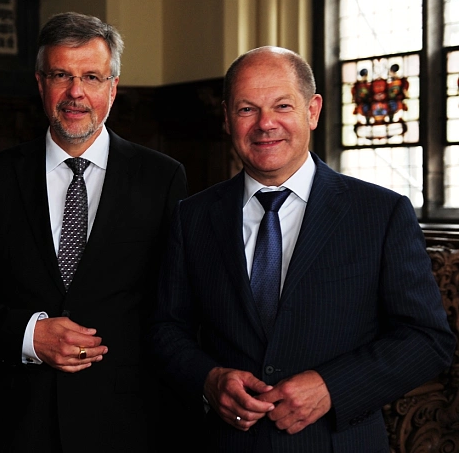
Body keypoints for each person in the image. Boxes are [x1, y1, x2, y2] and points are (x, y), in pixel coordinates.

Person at [151, 46, 455, 452]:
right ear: (226, 118)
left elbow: (427, 339)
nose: (265, 124)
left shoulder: (380, 213)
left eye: (282, 106)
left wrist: (333, 387)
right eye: (246, 109)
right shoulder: (193, 217)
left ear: (312, 110)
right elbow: (167, 329)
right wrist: (209, 379)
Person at [0, 12, 189, 452]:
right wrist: (30, 335)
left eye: (91, 76)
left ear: (113, 87)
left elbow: (180, 307)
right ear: (40, 83)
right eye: (61, 75)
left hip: (129, 424)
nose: (76, 93)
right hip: (18, 424)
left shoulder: (162, 178)